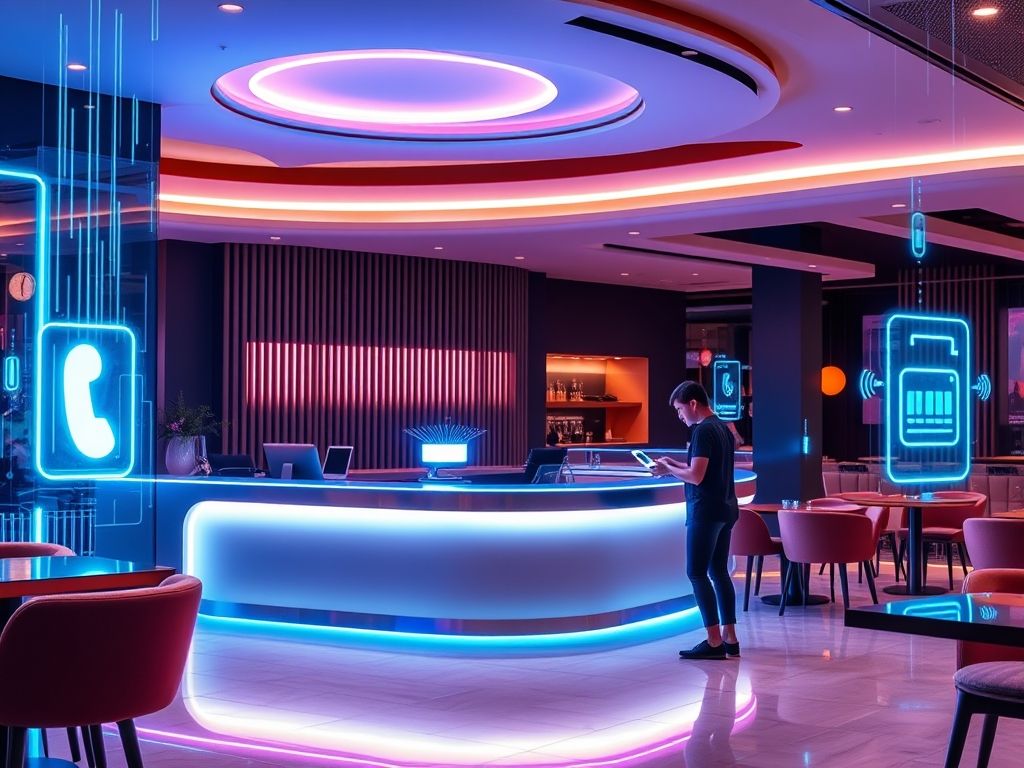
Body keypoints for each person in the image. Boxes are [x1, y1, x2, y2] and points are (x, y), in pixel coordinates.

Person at [651, 380, 740, 660]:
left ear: (692, 404)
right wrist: (673, 465)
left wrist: (668, 470)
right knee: (719, 572)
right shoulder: (722, 428)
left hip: (705, 511)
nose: (679, 416)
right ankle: (730, 638)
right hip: (726, 508)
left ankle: (713, 641)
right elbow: (703, 469)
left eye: (679, 409)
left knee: (697, 573)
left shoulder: (702, 431)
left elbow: (696, 476)